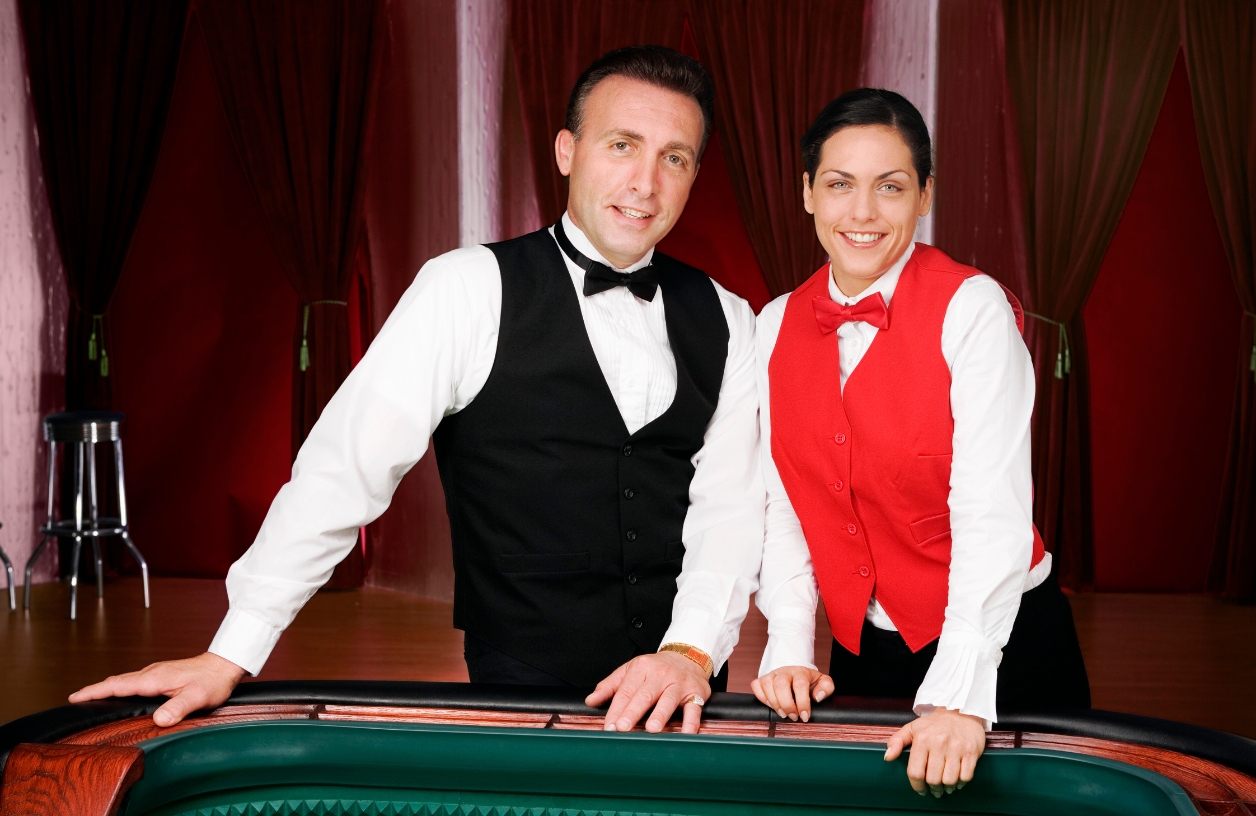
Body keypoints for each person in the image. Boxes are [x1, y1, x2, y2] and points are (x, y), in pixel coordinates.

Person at [71, 46, 763, 737]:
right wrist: (232, 651)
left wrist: (690, 651)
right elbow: (343, 473)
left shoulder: (729, 318)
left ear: (693, 176)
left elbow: (728, 509)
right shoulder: (464, 289)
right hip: (525, 688)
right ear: (566, 151)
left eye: (674, 158)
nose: (645, 182)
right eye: (622, 145)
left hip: (688, 687)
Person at [749, 89, 1090, 796]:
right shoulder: (774, 323)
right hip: (864, 653)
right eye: (839, 184)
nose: (863, 212)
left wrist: (961, 694)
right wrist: (788, 643)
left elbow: (988, 510)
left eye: (891, 186)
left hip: (1004, 639)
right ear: (808, 193)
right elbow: (784, 499)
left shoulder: (973, 310)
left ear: (925, 194)